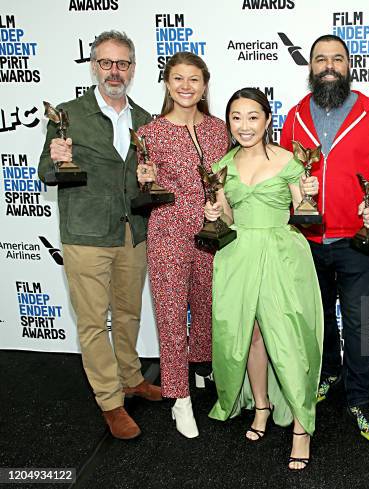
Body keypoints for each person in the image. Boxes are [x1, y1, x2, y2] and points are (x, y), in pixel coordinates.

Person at [38, 31, 161, 440]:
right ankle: (110, 401)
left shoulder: (145, 120)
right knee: (93, 323)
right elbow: (46, 173)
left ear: (133, 68)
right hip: (86, 235)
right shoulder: (67, 115)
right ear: (94, 66)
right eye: (107, 63)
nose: (115, 71)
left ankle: (130, 379)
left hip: (132, 233)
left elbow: (149, 179)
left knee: (128, 315)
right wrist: (56, 160)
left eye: (122, 63)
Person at [280, 34, 369, 441]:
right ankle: (329, 372)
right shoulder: (294, 117)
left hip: (355, 241)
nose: (328, 65)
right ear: (310, 67)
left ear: (349, 65)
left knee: (359, 323)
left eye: (337, 59)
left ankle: (361, 398)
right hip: (309, 239)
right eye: (320, 59)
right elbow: (286, 173)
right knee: (320, 319)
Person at [206, 88, 323, 470]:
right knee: (251, 334)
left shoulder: (290, 160)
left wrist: (309, 194)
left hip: (281, 254)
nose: (244, 125)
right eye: (236, 117)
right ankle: (261, 405)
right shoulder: (223, 164)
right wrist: (213, 211)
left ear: (267, 120)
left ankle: (301, 427)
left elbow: (305, 212)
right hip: (238, 255)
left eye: (252, 117)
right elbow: (225, 219)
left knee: (286, 336)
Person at [135, 52, 228, 438]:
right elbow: (140, 191)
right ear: (167, 83)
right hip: (168, 235)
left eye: (194, 79)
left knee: (209, 308)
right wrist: (143, 179)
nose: (186, 86)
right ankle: (180, 398)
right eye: (178, 79)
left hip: (212, 233)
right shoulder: (149, 133)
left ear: (205, 84)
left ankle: (203, 368)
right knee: (172, 318)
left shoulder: (220, 129)